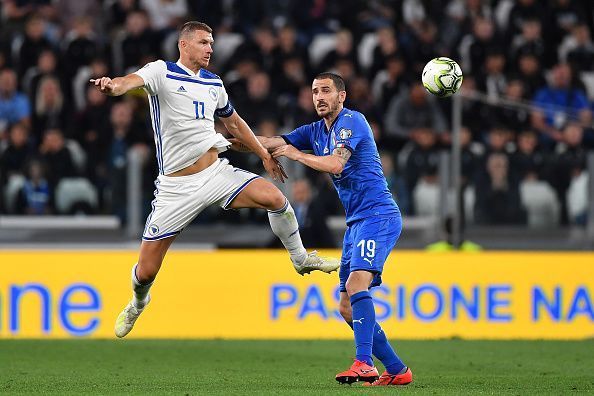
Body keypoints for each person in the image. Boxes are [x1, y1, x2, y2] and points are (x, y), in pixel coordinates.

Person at [91, 21, 339, 339]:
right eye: (204, 42)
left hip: (215, 172)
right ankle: (139, 303)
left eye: (212, 43)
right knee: (146, 271)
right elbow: (129, 82)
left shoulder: (213, 82)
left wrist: (263, 153)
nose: (210, 48)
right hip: (176, 188)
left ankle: (301, 258)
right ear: (184, 45)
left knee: (275, 198)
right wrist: (113, 86)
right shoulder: (161, 72)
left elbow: (235, 124)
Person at [231, 73, 412, 386]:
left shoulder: (352, 121)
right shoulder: (315, 130)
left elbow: (336, 164)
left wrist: (297, 155)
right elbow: (273, 143)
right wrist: (225, 141)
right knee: (345, 307)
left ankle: (364, 363)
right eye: (314, 91)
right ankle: (397, 370)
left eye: (326, 90)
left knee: (357, 286)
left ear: (341, 96)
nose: (319, 97)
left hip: (378, 215)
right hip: (356, 222)